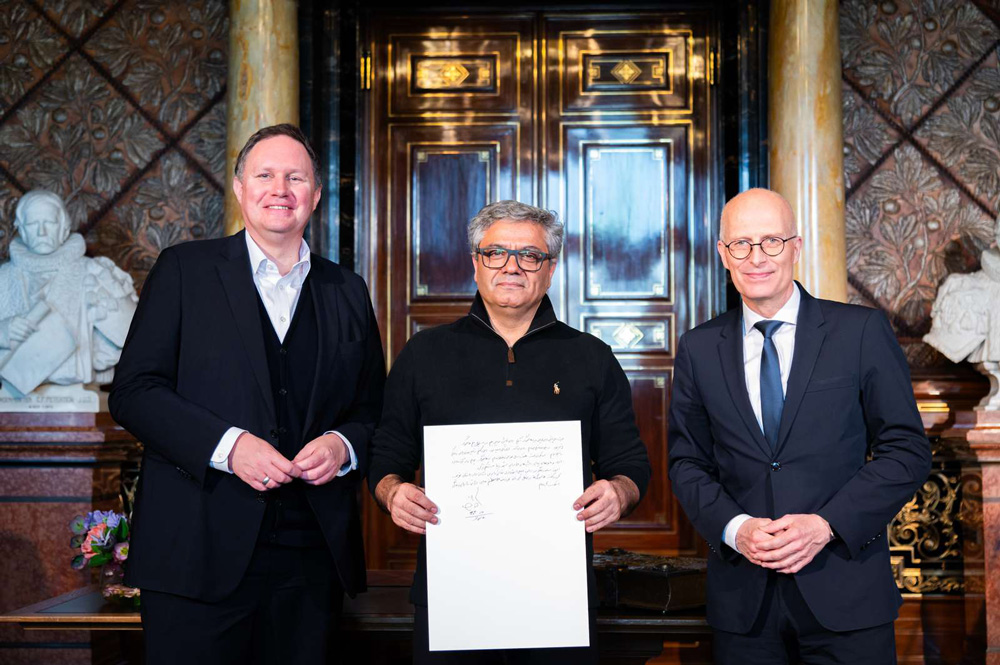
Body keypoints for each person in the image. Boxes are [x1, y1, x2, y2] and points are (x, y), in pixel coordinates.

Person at [109, 124, 385, 664]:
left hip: (312, 559)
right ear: (238, 188)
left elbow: (373, 408)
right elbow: (135, 392)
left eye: (295, 176)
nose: (279, 188)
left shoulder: (346, 289)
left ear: (316, 194)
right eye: (265, 175)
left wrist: (342, 444)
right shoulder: (184, 270)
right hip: (196, 554)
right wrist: (229, 446)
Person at [368, 199, 651, 665]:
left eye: (530, 255)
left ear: (551, 268)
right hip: (452, 592)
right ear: (476, 264)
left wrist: (619, 492)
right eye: (496, 252)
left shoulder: (592, 358)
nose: (512, 267)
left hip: (558, 596)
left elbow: (631, 464)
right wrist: (392, 492)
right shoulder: (424, 355)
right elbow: (386, 456)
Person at [667, 188, 931, 664]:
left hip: (846, 592)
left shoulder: (860, 332)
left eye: (771, 240)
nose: (756, 257)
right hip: (744, 605)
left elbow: (906, 451)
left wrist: (826, 525)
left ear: (796, 247)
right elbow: (687, 463)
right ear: (724, 254)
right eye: (741, 244)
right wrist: (736, 528)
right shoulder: (697, 348)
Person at [0, 189, 137, 396]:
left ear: (64, 228)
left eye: (50, 223)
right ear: (21, 229)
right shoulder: (4, 277)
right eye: (33, 224)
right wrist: (5, 330)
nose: (42, 232)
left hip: (76, 391)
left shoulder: (94, 272)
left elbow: (129, 335)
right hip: (14, 394)